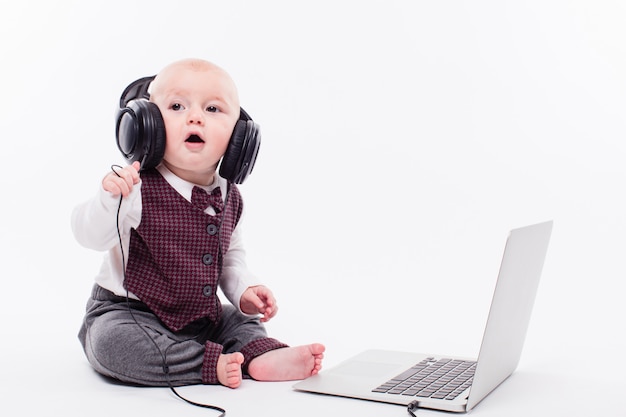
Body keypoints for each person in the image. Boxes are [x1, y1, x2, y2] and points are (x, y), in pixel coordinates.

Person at [72, 58, 324, 389]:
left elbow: (230, 257)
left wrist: (244, 289)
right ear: (148, 124)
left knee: (239, 320)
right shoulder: (134, 187)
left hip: (198, 316)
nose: (195, 117)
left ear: (238, 138)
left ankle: (257, 354)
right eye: (177, 106)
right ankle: (206, 364)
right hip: (130, 313)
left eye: (213, 109)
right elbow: (87, 234)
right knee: (110, 343)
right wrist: (108, 201)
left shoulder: (230, 197)